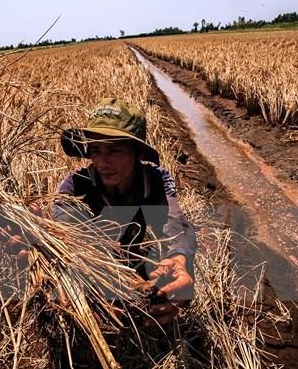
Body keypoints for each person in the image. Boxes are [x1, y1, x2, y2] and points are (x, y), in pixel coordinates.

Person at [54, 97, 197, 327]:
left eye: (115, 151)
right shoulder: (74, 188)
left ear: (137, 153)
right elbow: (66, 240)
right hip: (91, 266)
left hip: (128, 261)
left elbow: (177, 227)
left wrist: (179, 261)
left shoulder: (155, 180)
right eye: (95, 150)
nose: (102, 162)